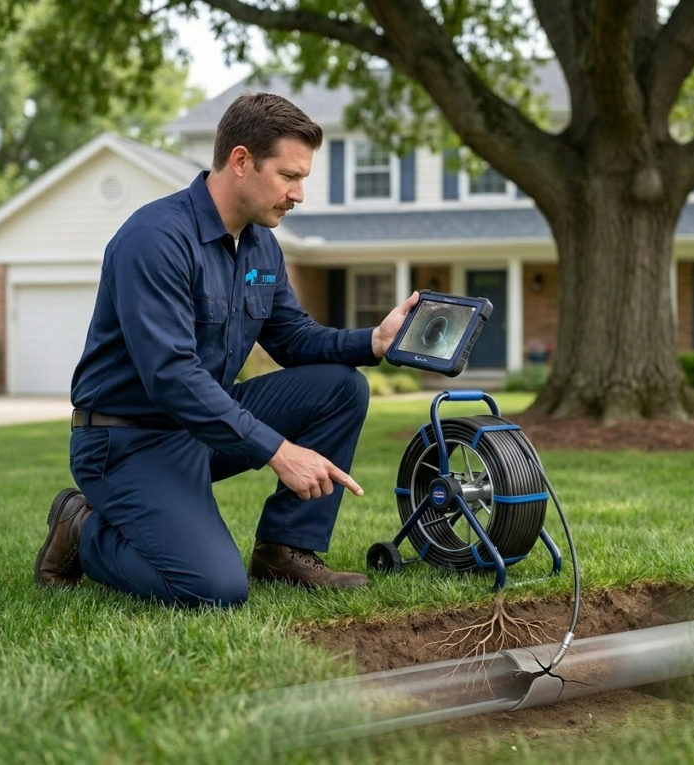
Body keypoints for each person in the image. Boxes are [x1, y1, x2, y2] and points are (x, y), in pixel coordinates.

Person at [34, 92, 418, 607]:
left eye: (302, 178)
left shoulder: (260, 245)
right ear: (241, 161)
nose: (299, 193)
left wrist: (372, 342)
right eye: (289, 176)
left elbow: (293, 338)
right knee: (213, 588)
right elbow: (170, 375)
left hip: (202, 429)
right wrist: (279, 452)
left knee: (341, 386)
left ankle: (286, 551)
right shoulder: (155, 238)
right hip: (126, 443)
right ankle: (81, 527)